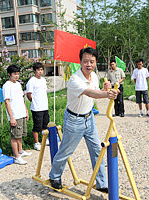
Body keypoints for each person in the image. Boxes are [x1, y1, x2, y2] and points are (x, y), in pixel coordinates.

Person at [49, 47, 118, 192]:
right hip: (74, 120)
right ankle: (54, 176)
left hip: (89, 118)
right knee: (66, 151)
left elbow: (97, 91)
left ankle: (101, 183)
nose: (89, 64)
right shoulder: (75, 79)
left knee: (97, 150)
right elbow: (90, 93)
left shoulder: (94, 76)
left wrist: (106, 89)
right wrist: (106, 94)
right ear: (80, 62)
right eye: (85, 61)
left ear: (95, 62)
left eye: (92, 61)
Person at [2, 65, 31, 165]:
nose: (17, 76)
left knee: (20, 135)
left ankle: (21, 151)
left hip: (21, 113)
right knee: (15, 136)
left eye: (18, 73)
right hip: (14, 115)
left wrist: (26, 111)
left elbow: (22, 99)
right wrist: (12, 117)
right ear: (9, 74)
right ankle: (16, 157)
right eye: (14, 74)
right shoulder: (7, 85)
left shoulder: (18, 84)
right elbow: (7, 102)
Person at [26, 62, 49, 151]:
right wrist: (34, 101)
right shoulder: (31, 81)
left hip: (44, 106)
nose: (40, 72)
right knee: (37, 126)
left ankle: (44, 140)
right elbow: (29, 95)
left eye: (41, 70)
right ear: (35, 71)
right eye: (38, 70)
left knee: (45, 124)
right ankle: (36, 142)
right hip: (37, 108)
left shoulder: (43, 80)